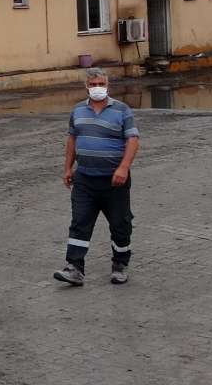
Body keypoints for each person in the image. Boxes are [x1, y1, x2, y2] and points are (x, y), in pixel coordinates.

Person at [54, 67, 139, 287]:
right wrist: (67, 168)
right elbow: (72, 140)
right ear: (86, 87)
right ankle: (74, 268)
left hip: (114, 181)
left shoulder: (122, 110)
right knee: (80, 223)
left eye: (101, 84)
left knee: (120, 225)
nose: (97, 88)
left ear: (108, 85)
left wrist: (123, 168)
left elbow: (132, 140)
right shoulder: (78, 111)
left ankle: (120, 265)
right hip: (85, 180)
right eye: (92, 85)